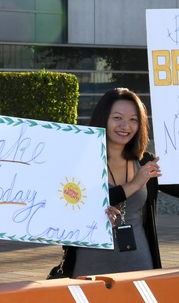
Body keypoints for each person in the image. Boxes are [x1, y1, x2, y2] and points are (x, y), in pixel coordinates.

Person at [65, 88, 178, 277]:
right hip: (90, 265)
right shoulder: (81, 161)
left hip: (140, 263)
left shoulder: (145, 161)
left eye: (133, 120)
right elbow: (74, 205)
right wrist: (134, 184)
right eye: (117, 118)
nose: (125, 126)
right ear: (104, 119)